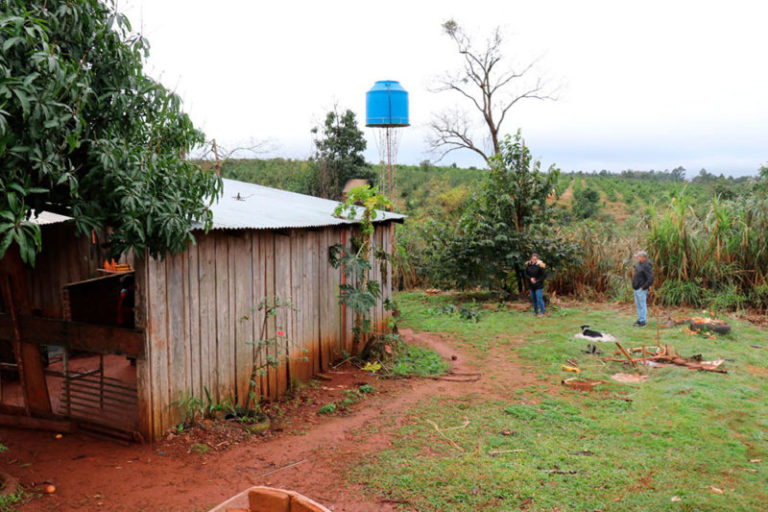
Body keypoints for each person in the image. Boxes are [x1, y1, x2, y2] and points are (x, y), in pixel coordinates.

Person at [631, 250, 654, 327]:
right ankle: (640, 319)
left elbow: (651, 278)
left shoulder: (647, 265)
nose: (637, 258)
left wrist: (643, 287)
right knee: (638, 305)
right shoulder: (640, 264)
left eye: (639, 256)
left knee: (642, 305)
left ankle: (643, 321)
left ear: (643, 257)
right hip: (636, 288)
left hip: (641, 289)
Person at [525, 253, 547, 317]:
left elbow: (544, 275)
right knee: (534, 299)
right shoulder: (528, 265)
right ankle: (536, 312)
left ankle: (543, 312)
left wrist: (537, 281)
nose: (534, 260)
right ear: (531, 259)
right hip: (531, 285)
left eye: (535, 259)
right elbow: (526, 274)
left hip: (539, 285)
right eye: (532, 259)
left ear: (537, 259)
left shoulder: (541, 265)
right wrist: (530, 278)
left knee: (539, 298)